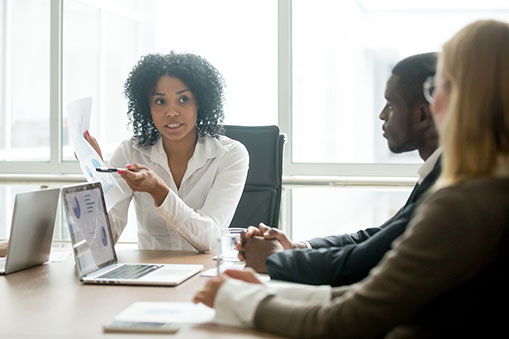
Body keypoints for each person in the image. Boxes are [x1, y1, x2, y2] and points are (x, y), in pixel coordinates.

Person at [193, 19, 509, 337]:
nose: (433, 99)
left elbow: (351, 319)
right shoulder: (487, 188)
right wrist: (266, 291)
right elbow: (380, 289)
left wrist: (242, 300)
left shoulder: (464, 201)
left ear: (465, 97)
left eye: (436, 87)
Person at [238, 52, 441, 286]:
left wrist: (278, 259)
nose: (382, 114)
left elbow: (365, 262)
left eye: (391, 105)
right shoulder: (436, 171)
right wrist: (299, 248)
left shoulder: (445, 183)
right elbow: (378, 237)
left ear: (423, 115)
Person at [85, 52, 249, 252]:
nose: (171, 112)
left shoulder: (230, 154)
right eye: (160, 102)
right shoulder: (130, 152)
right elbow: (102, 242)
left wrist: (159, 191)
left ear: (200, 102)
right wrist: (98, 176)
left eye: (183, 99)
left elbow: (210, 238)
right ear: (147, 107)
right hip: (149, 274)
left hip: (206, 274)